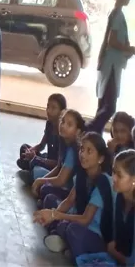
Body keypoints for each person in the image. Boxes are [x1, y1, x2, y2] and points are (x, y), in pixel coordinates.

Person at [33, 132, 113, 260]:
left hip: (96, 234)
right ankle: (66, 242)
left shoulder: (104, 182)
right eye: (82, 149)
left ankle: (71, 246)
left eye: (89, 151)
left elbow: (86, 219)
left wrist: (55, 215)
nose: (83, 154)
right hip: (79, 223)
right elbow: (69, 200)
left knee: (72, 229)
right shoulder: (83, 175)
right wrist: (51, 214)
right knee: (51, 202)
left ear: (101, 159)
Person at [87, 0, 135, 134]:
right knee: (109, 107)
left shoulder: (115, 14)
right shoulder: (117, 15)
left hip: (109, 64)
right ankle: (88, 129)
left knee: (102, 106)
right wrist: (129, 48)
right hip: (111, 67)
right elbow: (112, 41)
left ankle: (94, 137)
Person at [32, 109, 85, 204]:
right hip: (64, 185)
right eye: (63, 121)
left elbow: (61, 180)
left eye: (69, 125)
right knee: (37, 174)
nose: (63, 126)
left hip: (71, 193)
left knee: (45, 190)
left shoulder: (73, 150)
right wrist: (40, 180)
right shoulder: (64, 142)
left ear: (77, 131)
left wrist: (40, 182)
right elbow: (58, 167)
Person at [17, 93, 67, 181]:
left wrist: (36, 159)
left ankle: (32, 170)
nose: (48, 110)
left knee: (36, 170)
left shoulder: (63, 133)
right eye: (48, 106)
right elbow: (41, 146)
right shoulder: (49, 124)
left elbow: (58, 164)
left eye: (53, 108)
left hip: (54, 167)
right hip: (47, 158)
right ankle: (31, 167)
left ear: (62, 112)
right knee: (24, 148)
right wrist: (31, 151)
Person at [107, 149, 135, 265]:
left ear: (134, 180)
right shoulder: (119, 196)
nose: (113, 178)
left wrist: (112, 251)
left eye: (119, 175)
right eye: (113, 172)